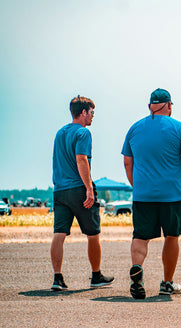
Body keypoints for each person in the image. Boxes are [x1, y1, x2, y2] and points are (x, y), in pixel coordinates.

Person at [122, 88, 181, 299]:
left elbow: (128, 161)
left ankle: (137, 268)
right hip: (171, 196)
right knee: (172, 237)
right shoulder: (180, 128)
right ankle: (167, 283)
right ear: (169, 106)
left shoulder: (134, 129)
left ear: (150, 107)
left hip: (142, 195)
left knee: (140, 237)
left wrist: (135, 184)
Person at [50, 96, 114, 291]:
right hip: (78, 188)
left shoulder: (60, 133)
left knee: (59, 234)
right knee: (93, 233)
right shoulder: (83, 133)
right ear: (84, 112)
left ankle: (57, 278)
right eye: (92, 112)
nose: (93, 117)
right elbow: (81, 160)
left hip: (60, 190)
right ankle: (96, 276)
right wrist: (88, 188)